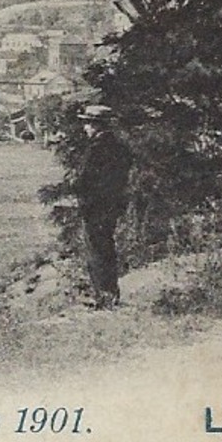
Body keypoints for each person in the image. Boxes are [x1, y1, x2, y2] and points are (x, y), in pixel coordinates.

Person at [75, 103, 132, 309]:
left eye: (88, 124)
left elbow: (85, 179)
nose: (85, 128)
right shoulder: (120, 147)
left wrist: (83, 197)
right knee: (106, 248)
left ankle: (104, 297)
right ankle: (109, 294)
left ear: (96, 126)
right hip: (112, 205)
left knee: (97, 250)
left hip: (96, 206)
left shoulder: (97, 148)